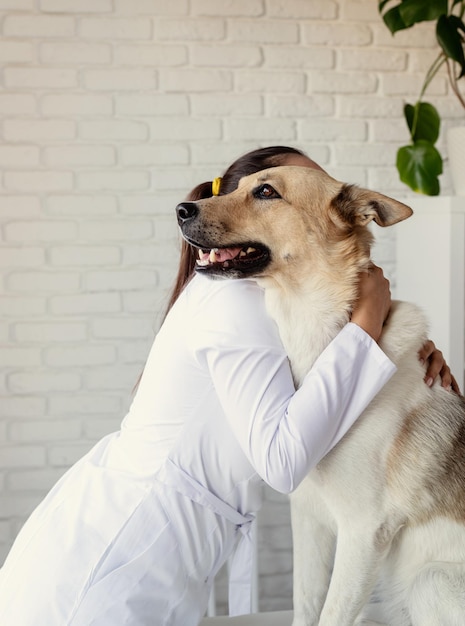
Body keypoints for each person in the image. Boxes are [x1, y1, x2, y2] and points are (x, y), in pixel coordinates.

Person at [0, 146, 457, 626]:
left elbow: (334, 369)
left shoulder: (284, 308)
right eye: (257, 189)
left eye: (266, 193)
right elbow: (285, 459)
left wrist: (403, 349)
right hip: (113, 563)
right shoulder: (238, 303)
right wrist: (369, 325)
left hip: (151, 552)